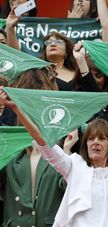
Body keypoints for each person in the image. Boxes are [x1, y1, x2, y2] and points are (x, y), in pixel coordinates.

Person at [0, 88, 108, 226]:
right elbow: (43, 141)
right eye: (91, 139)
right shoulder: (74, 166)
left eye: (101, 139)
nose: (95, 143)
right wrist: (16, 109)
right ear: (86, 144)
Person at [0, 69, 66, 227]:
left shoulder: (63, 148)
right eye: (25, 103)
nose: (32, 111)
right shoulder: (11, 149)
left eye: (38, 102)